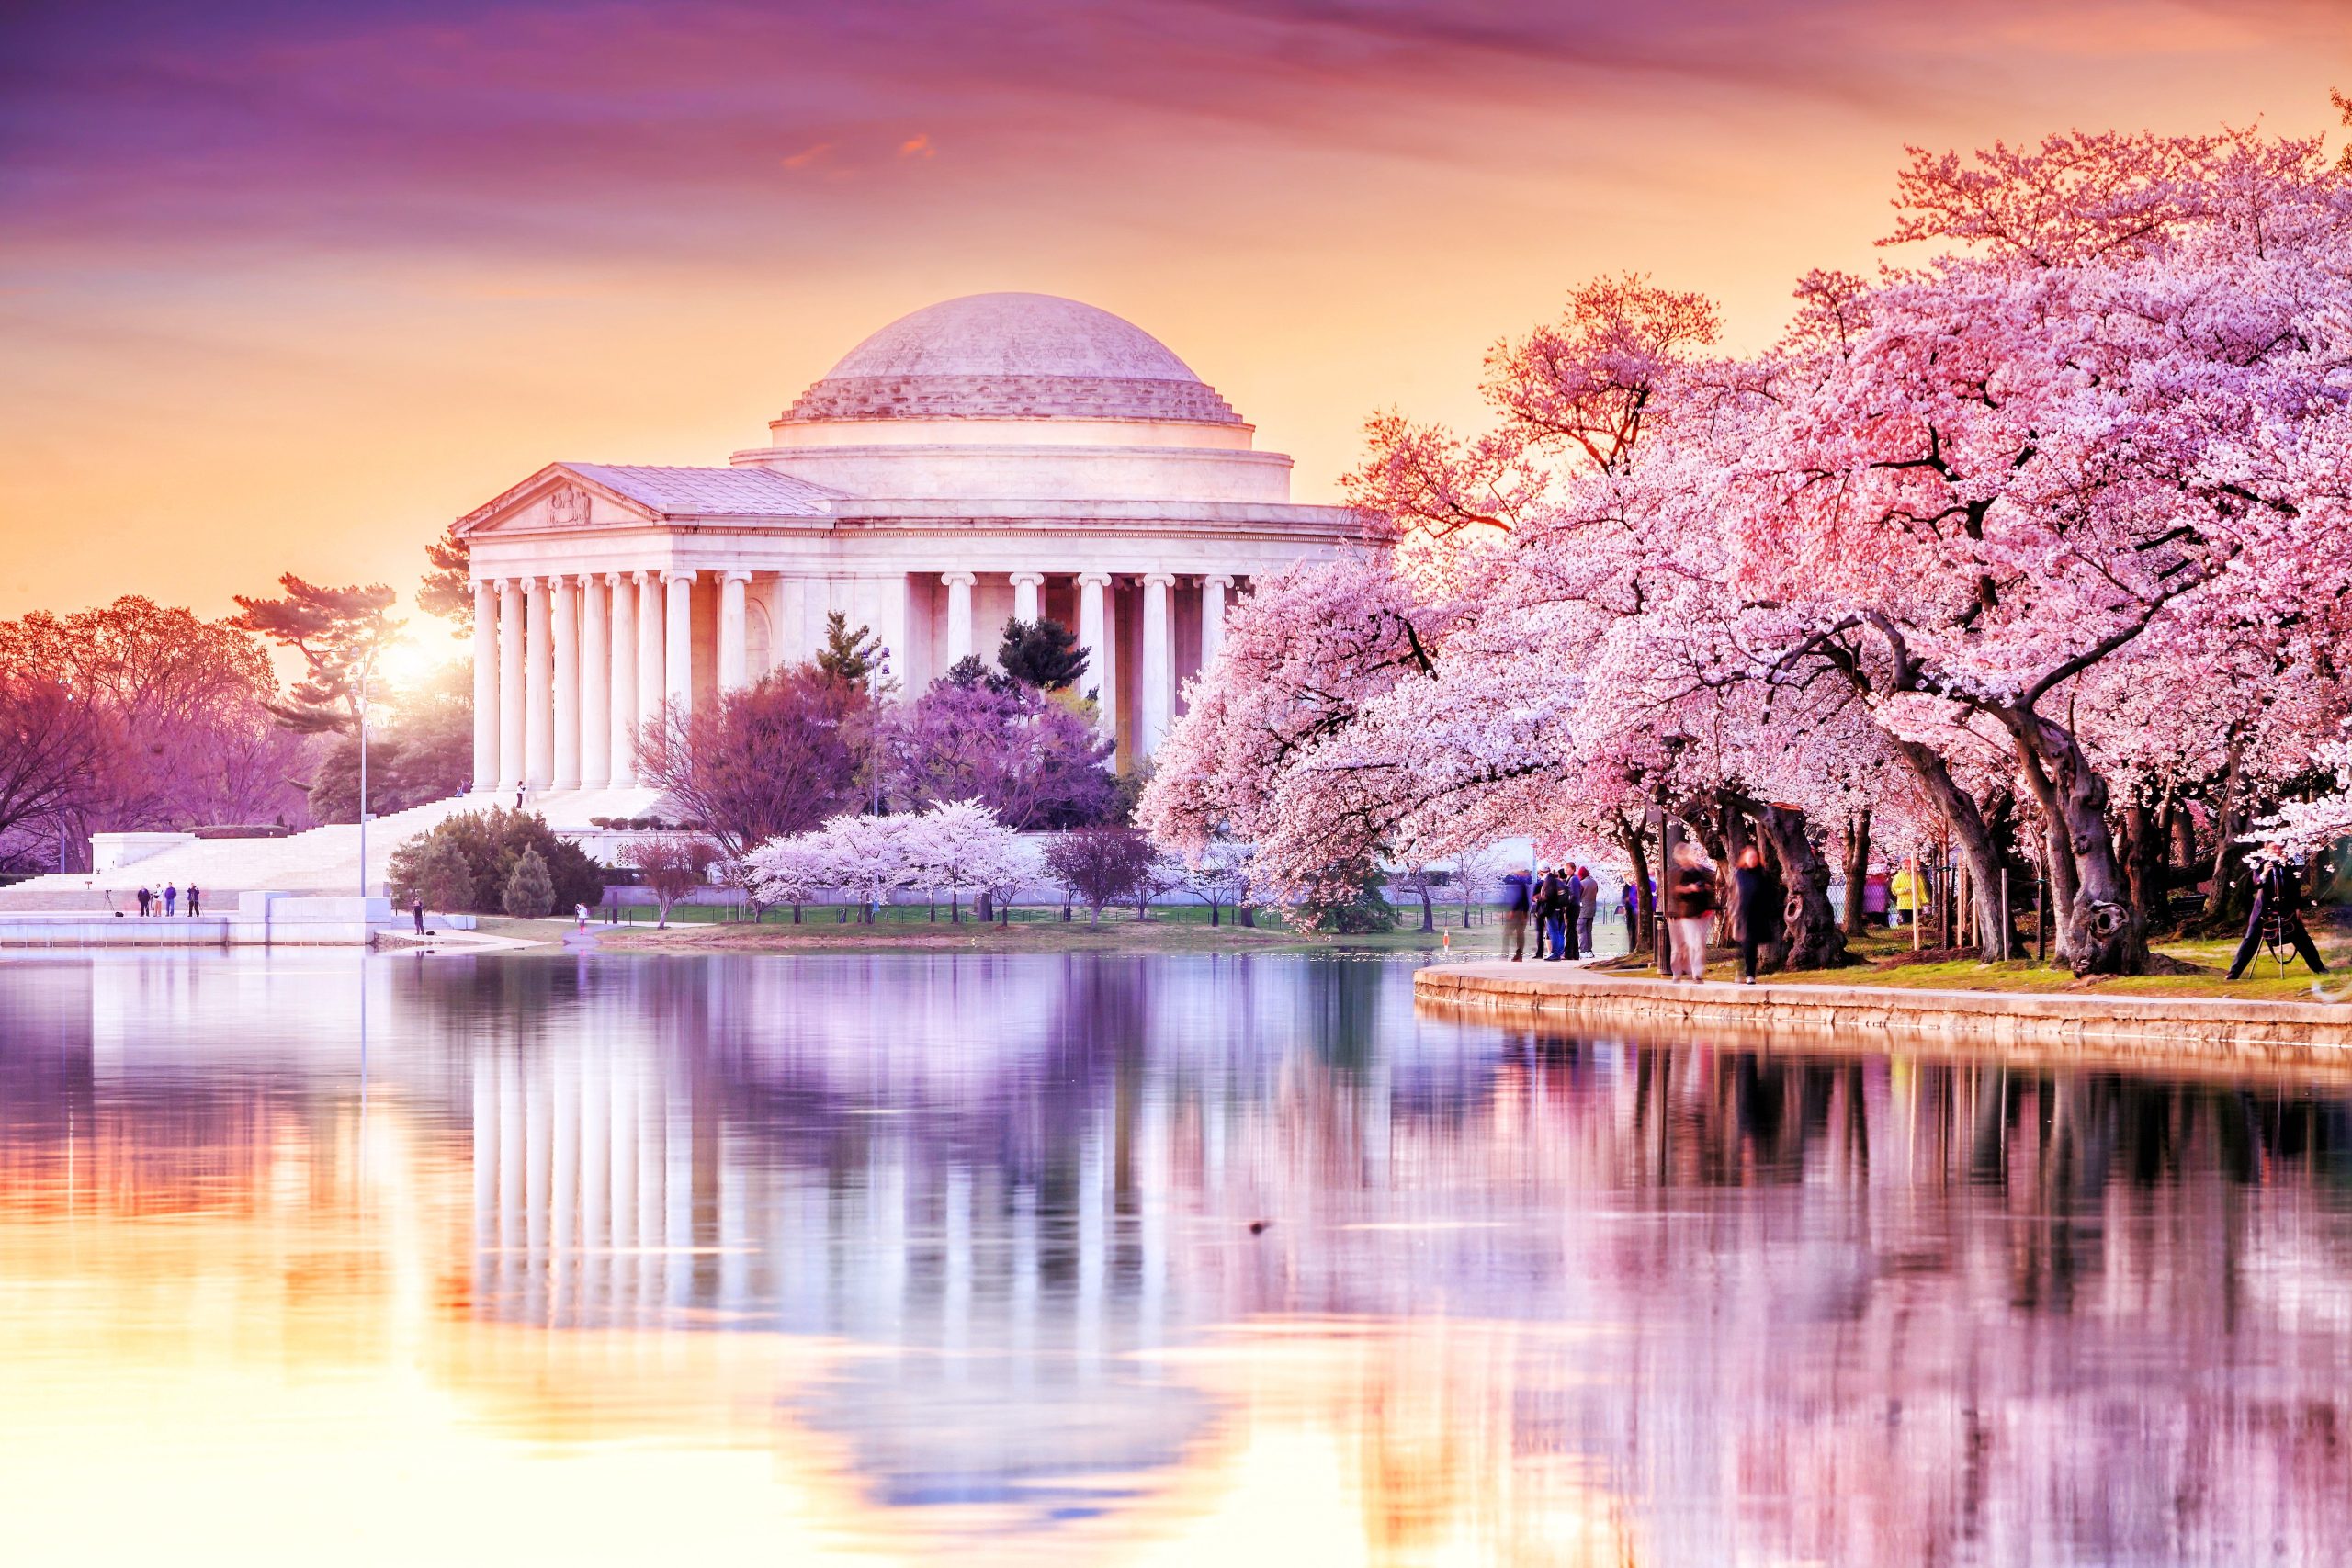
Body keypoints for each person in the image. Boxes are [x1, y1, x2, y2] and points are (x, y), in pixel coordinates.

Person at [2227, 848, 2329, 980]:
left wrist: (2298, 907)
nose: (2277, 850)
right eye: (2273, 847)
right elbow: (2257, 884)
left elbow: (2295, 886)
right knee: (2251, 938)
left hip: (2286, 906)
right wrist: (2264, 872)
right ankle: (2234, 972)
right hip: (2263, 908)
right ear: (2266, 849)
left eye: (2279, 847)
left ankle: (2318, 968)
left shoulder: (2288, 863)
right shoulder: (2259, 863)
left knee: (2302, 937)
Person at [1665, 841, 1719, 982]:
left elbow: (1712, 882)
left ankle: (1697, 972)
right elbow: (1675, 892)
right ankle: (1680, 971)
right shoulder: (1676, 873)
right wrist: (1689, 888)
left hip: (1701, 911)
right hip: (1685, 913)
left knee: (1698, 943)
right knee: (1686, 945)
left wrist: (1705, 887)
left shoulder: (1699, 870)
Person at [1733, 846, 1775, 984]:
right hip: (1743, 914)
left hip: (1758, 914)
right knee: (1745, 944)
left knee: (1751, 944)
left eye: (1755, 857)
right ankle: (1746, 972)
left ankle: (1749, 973)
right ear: (1745, 858)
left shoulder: (1762, 874)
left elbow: (1769, 893)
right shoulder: (1739, 873)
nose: (1752, 860)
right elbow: (1733, 893)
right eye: (1750, 857)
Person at [1498, 868, 1532, 961]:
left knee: (1508, 933)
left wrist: (1513, 911)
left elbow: (1519, 898)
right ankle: (1517, 954)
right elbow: (1524, 899)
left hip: (1516, 912)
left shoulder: (1517, 882)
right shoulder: (1521, 883)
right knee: (1519, 934)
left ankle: (1507, 954)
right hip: (1520, 911)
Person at [1576, 865, 1600, 955]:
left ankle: (1584, 950)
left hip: (1583, 910)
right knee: (1589, 930)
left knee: (1581, 930)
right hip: (1592, 909)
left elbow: (1578, 895)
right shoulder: (1594, 882)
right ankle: (1589, 950)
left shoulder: (1581, 883)